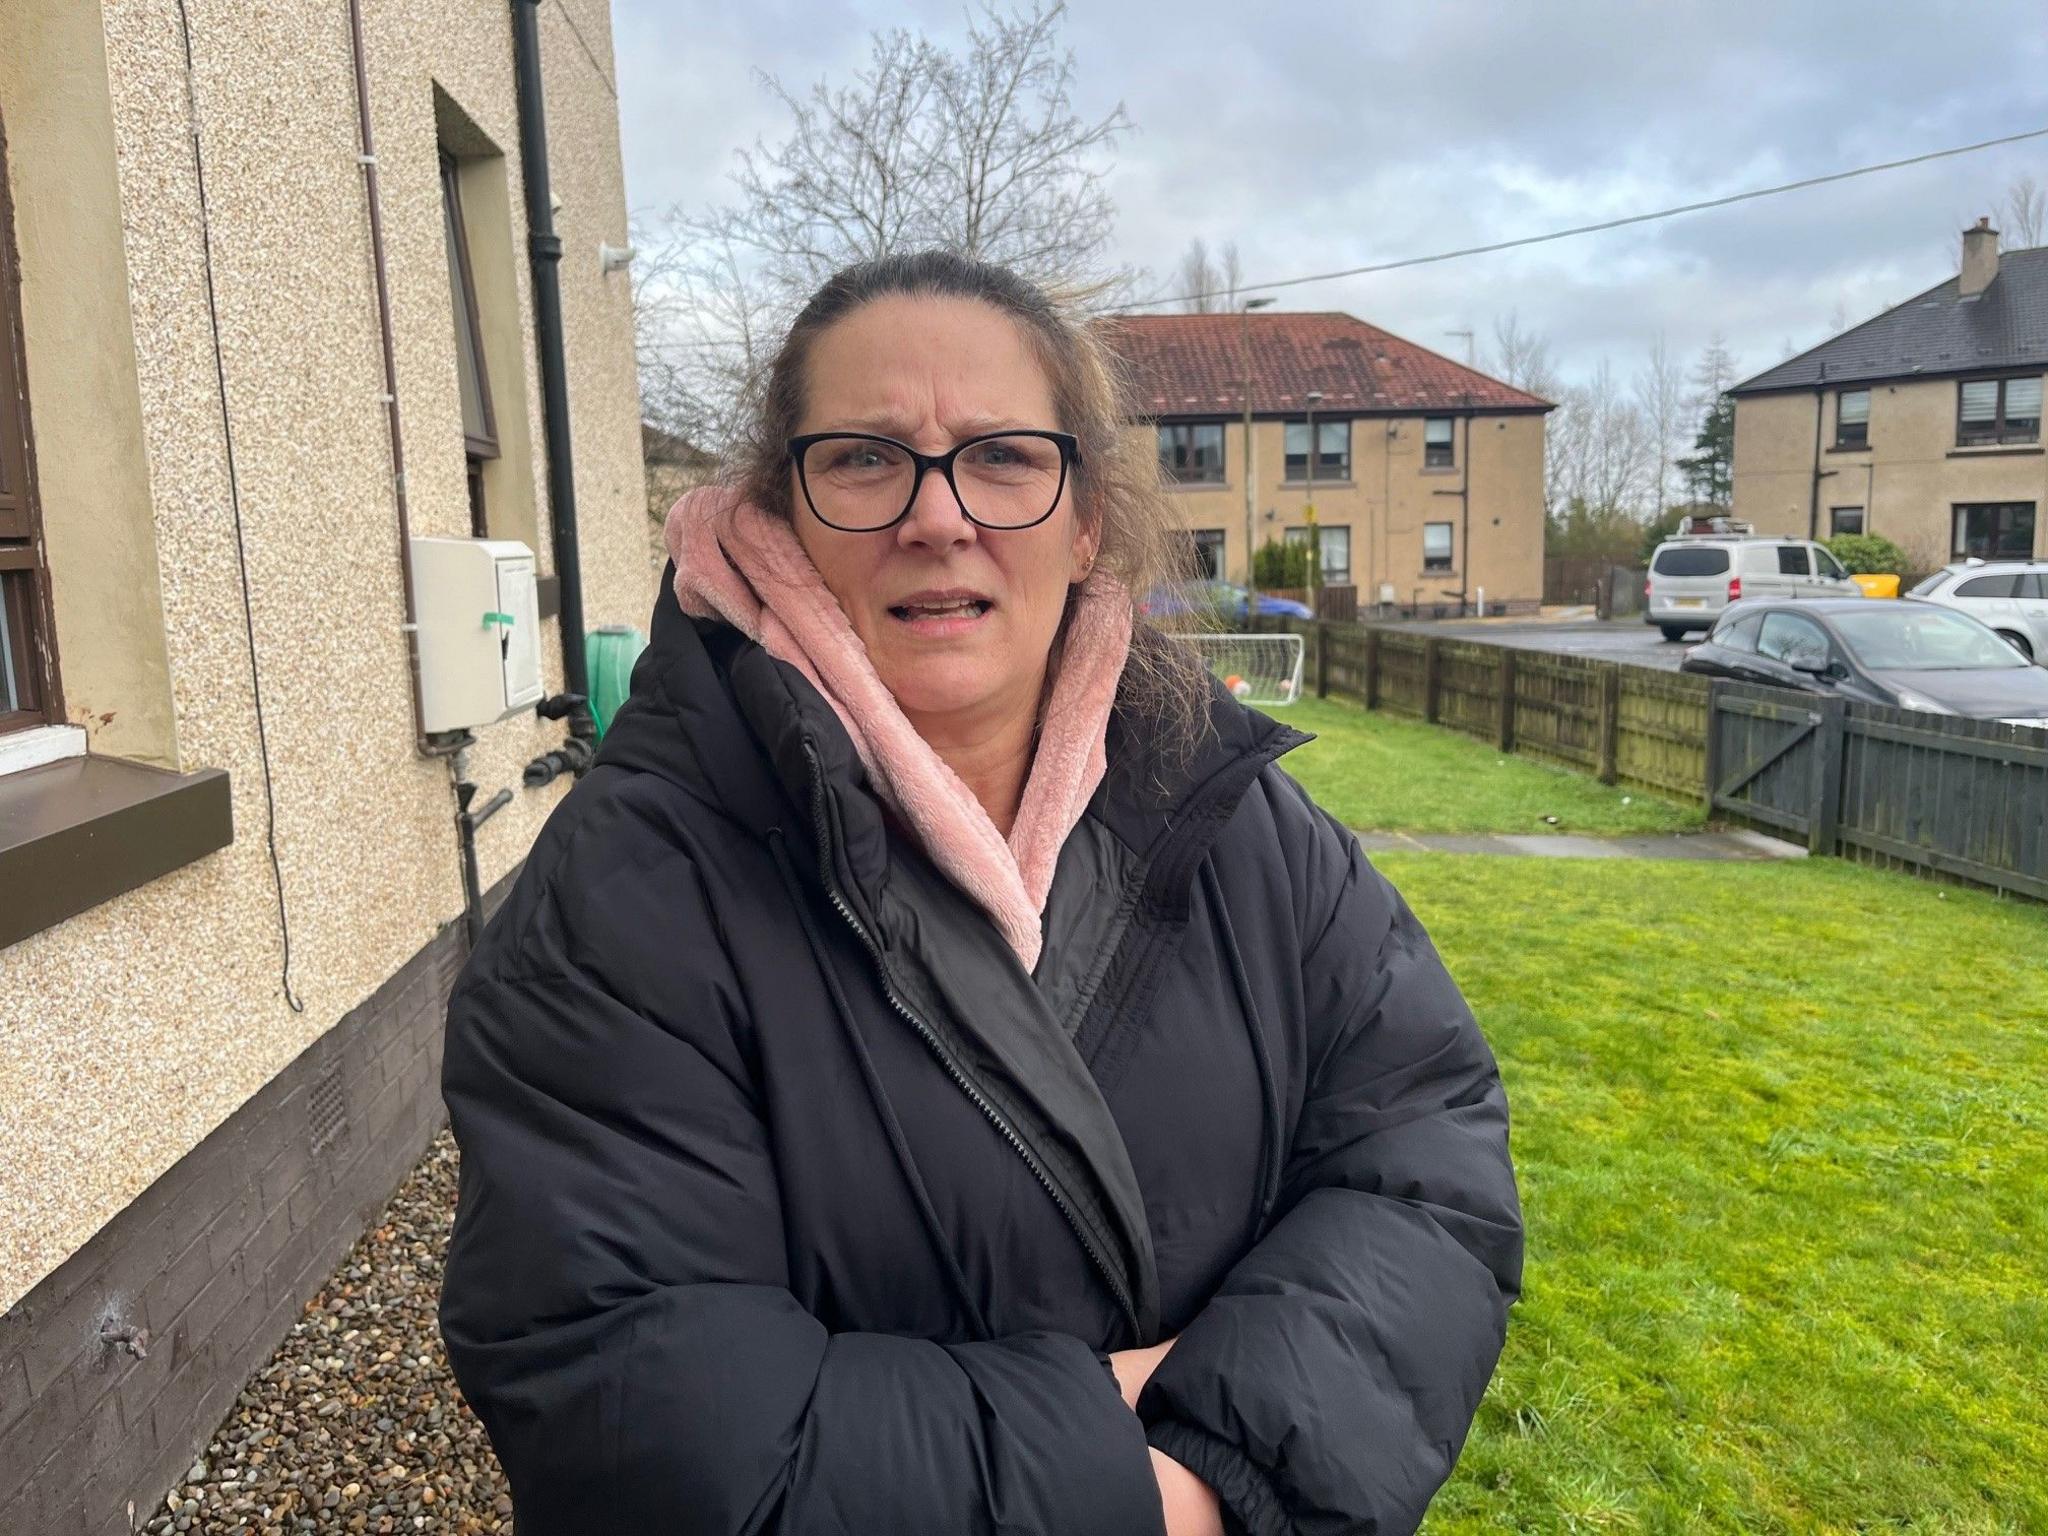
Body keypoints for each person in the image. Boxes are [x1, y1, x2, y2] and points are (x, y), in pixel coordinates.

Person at [438, 250, 1522, 1536]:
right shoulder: (630, 892)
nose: (937, 516)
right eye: (862, 458)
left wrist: (1226, 1450)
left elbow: (1424, 1163)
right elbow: (648, 1412)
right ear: (778, 515)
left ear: (1081, 519)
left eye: (1003, 456)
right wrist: (1160, 1496)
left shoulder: (1240, 822)